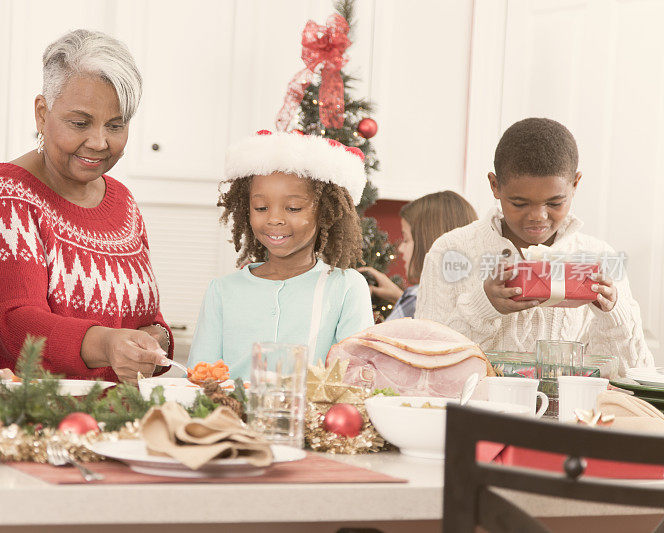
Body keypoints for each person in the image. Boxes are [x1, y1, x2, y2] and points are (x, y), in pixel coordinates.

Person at [0, 30, 173, 384]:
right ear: (42, 113)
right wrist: (110, 344)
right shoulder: (0, 198)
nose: (99, 142)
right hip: (15, 423)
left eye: (115, 126)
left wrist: (154, 344)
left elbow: (148, 319)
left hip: (115, 425)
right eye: (80, 123)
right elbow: (13, 325)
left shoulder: (124, 204)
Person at [415, 117, 654, 375]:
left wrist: (613, 313)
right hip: (476, 414)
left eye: (554, 203)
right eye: (519, 203)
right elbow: (422, 362)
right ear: (495, 185)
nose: (538, 216)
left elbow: (633, 375)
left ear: (575, 184)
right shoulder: (450, 252)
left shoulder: (599, 258)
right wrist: (483, 306)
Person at [187, 130, 375, 378]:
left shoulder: (346, 288)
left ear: (325, 212)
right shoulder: (222, 291)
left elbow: (355, 379)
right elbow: (198, 378)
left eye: (293, 208)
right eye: (261, 207)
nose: (274, 219)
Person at [359, 191, 477, 319]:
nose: (400, 248)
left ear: (428, 243)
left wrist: (359, 301)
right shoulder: (475, 299)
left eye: (406, 239)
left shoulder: (416, 297)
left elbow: (373, 339)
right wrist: (398, 296)